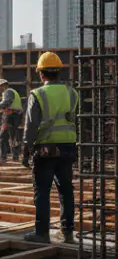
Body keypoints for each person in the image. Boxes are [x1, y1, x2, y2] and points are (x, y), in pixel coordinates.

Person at [21, 52, 77, 244]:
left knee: (42, 191)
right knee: (66, 190)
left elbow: (30, 126)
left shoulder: (38, 94)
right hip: (68, 147)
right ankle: (67, 232)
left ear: (41, 74)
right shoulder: (72, 93)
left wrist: (26, 150)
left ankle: (42, 233)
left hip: (46, 149)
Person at [0, 78, 23, 163]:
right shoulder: (13, 92)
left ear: (3, 85)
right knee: (13, 136)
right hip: (16, 116)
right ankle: (15, 157)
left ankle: (2, 157)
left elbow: (6, 102)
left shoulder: (8, 92)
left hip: (10, 117)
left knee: (2, 137)